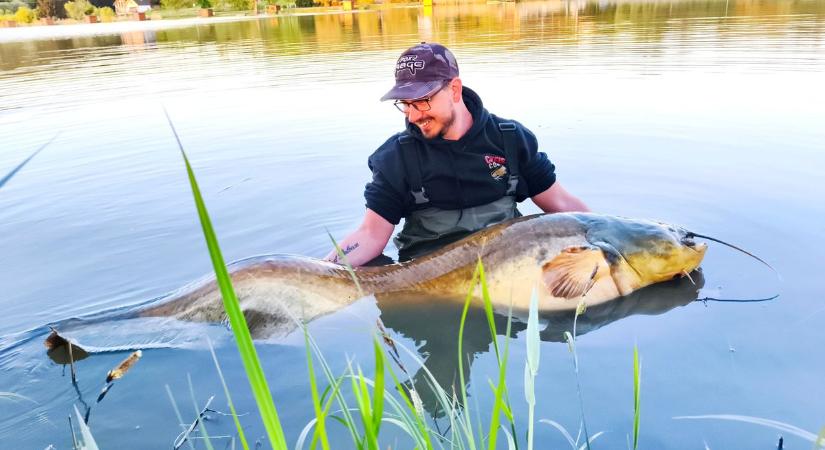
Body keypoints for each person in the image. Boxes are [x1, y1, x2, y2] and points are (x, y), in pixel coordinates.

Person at [326, 42, 589, 266]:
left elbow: (562, 205)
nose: (413, 116)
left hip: (506, 270)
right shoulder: (395, 157)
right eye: (405, 104)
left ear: (454, 89)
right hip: (427, 278)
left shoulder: (510, 139)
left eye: (422, 101)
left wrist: (605, 235)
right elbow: (370, 235)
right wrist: (323, 272)